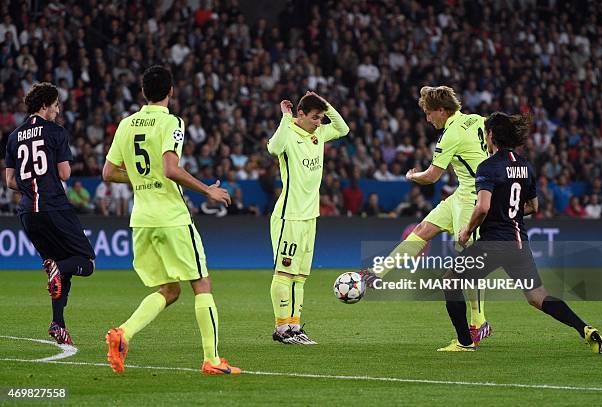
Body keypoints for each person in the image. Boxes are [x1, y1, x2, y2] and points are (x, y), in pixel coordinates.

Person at [102, 65, 240, 374]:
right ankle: (212, 360)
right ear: (171, 91)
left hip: (142, 221)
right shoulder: (172, 122)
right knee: (202, 283)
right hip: (172, 218)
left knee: (170, 290)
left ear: (142, 93)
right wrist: (208, 190)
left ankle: (123, 333)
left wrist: (140, 178)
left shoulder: (126, 124)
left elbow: (108, 173)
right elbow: (170, 168)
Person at [437, 112, 602, 354]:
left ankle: (465, 342)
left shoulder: (487, 167)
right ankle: (585, 329)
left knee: (451, 280)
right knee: (538, 297)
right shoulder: (525, 166)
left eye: (486, 133)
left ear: (492, 135)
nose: (485, 137)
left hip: (494, 243)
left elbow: (483, 206)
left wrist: (467, 229)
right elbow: (533, 207)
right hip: (518, 244)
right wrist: (509, 212)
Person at [361, 86, 491, 344]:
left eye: (429, 113)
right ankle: (378, 274)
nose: (427, 118)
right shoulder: (477, 119)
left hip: (474, 198)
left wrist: (412, 176)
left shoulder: (450, 134)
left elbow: (432, 176)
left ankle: (479, 322)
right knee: (422, 230)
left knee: (468, 262)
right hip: (460, 193)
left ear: (442, 111)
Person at [4, 82, 95, 345]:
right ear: (44, 105)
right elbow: (65, 174)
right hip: (53, 206)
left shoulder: (13, 137)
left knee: (57, 268)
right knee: (86, 262)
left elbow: (10, 181)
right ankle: (59, 269)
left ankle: (58, 324)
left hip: (27, 213)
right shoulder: (55, 132)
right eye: (55, 105)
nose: (57, 110)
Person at [267, 91, 349, 344]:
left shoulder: (319, 134)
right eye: (314, 118)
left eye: (321, 118)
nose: (318, 123)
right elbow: (273, 148)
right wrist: (285, 117)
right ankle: (282, 329)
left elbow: (343, 128)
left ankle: (295, 327)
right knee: (284, 273)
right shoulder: (289, 133)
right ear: (300, 114)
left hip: (309, 216)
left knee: (300, 277)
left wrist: (325, 103)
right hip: (288, 215)